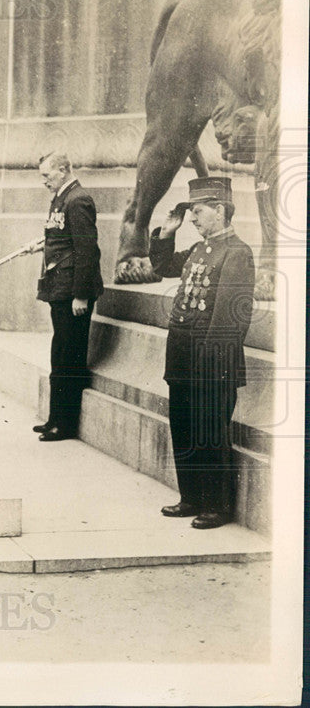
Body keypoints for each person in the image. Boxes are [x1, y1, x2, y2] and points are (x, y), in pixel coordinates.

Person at [150, 176, 255, 530]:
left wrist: (211, 361)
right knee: (183, 426)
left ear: (220, 210)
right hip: (182, 354)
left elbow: (230, 316)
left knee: (210, 430)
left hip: (213, 361)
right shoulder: (198, 249)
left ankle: (216, 505)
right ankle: (191, 496)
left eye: (197, 211)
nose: (192, 218)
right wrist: (167, 232)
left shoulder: (237, 253)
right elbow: (163, 267)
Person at [33, 152, 104, 441]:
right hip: (59, 289)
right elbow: (62, 238)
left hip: (72, 293)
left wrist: (81, 296)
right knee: (59, 354)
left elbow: (86, 251)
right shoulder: (63, 197)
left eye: (47, 176)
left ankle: (66, 424)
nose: (44, 182)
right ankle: (55, 418)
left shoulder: (78, 200)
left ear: (63, 170)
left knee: (70, 356)